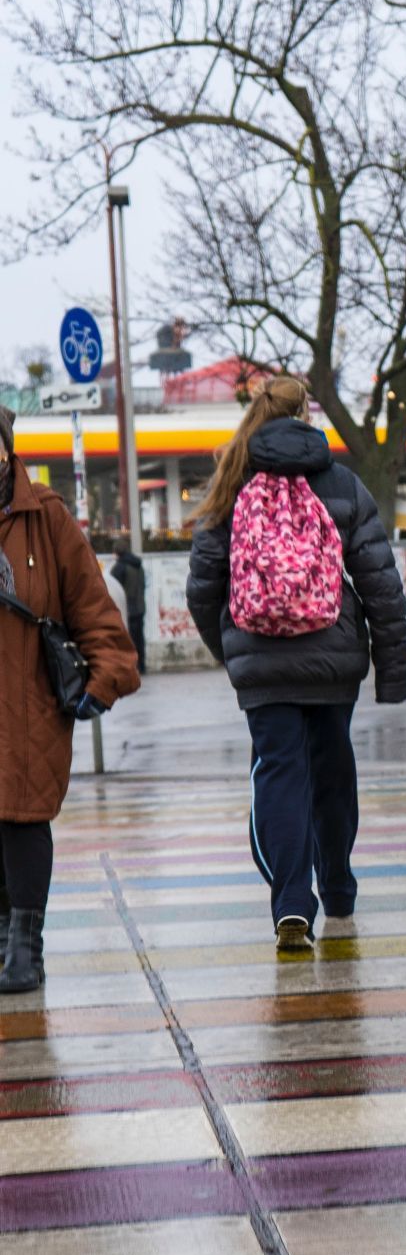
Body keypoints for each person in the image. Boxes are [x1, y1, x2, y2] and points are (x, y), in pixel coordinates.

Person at [187, 375, 406, 956]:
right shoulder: (341, 483)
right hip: (334, 660)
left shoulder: (230, 485)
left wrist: (232, 650)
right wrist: (392, 670)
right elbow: (381, 586)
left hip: (260, 663)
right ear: (307, 415)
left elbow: (202, 587)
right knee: (332, 771)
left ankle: (291, 901)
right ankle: (336, 887)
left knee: (278, 773)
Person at [0, 404, 140, 993]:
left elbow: (92, 607)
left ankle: (25, 945)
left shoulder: (46, 517)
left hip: (29, 700)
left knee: (24, 817)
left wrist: (104, 679)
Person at [110, 533, 147, 671]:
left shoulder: (119, 567)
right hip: (140, 606)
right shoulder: (138, 565)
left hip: (127, 609)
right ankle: (142, 665)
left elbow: (114, 589)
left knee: (128, 640)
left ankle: (130, 666)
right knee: (139, 638)